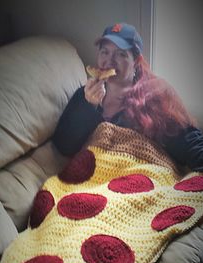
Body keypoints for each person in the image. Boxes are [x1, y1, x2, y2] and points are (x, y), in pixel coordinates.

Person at [52, 22, 203, 172]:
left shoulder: (154, 97)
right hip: (94, 183)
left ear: (136, 62)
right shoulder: (84, 95)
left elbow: (190, 144)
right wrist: (88, 106)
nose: (109, 61)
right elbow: (64, 146)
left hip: (142, 182)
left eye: (121, 54)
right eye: (105, 52)